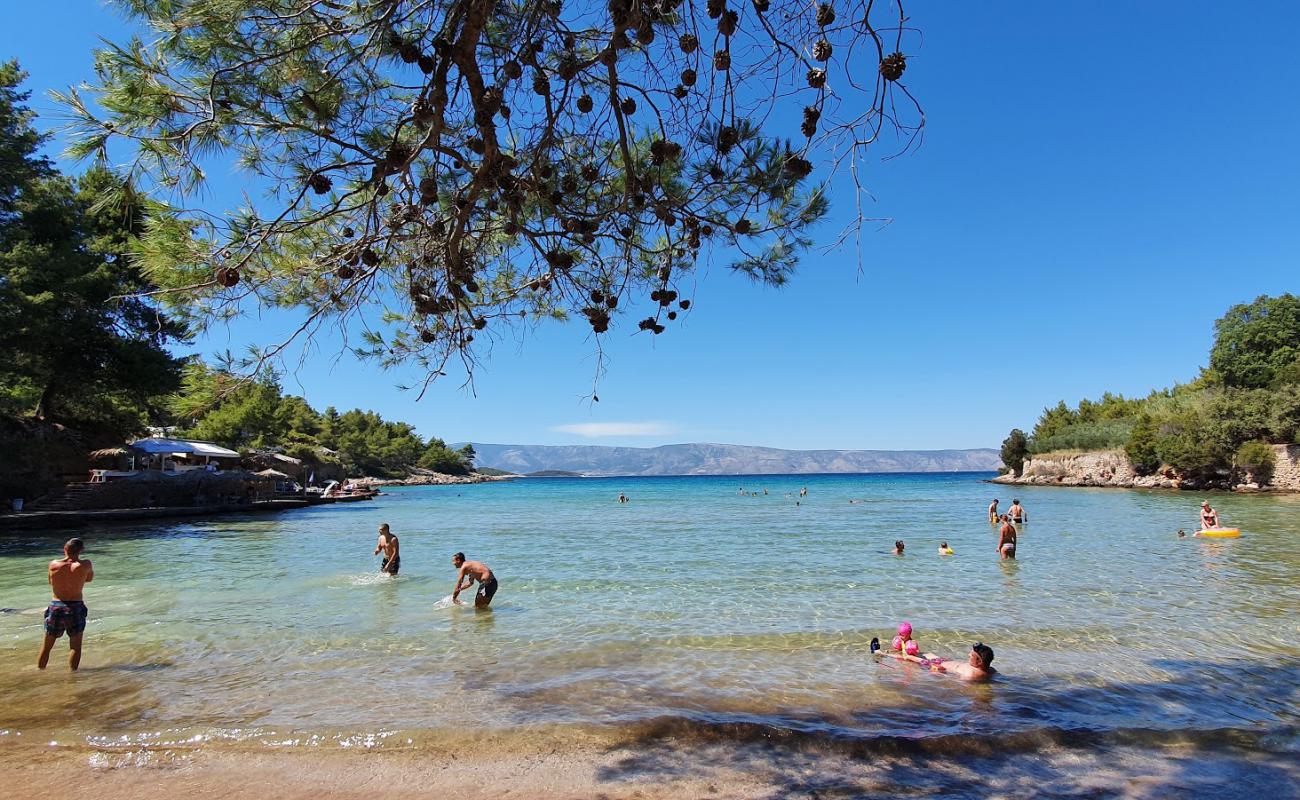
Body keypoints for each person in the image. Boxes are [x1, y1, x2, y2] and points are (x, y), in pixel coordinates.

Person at [38, 538, 94, 671]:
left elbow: (51, 582)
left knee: (47, 647)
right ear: (81, 551)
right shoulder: (86, 564)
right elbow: (89, 579)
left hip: (56, 606)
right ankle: (72, 677)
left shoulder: (53, 564)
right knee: (75, 647)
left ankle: (39, 674)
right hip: (75, 607)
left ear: (65, 548)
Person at [873, 639, 997, 682]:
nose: (968, 654)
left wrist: (940, 673)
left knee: (909, 658)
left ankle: (879, 652)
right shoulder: (991, 670)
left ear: (979, 662)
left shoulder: (971, 675)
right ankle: (902, 649)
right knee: (927, 654)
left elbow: (955, 682)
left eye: (972, 655)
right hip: (942, 660)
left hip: (937, 665)